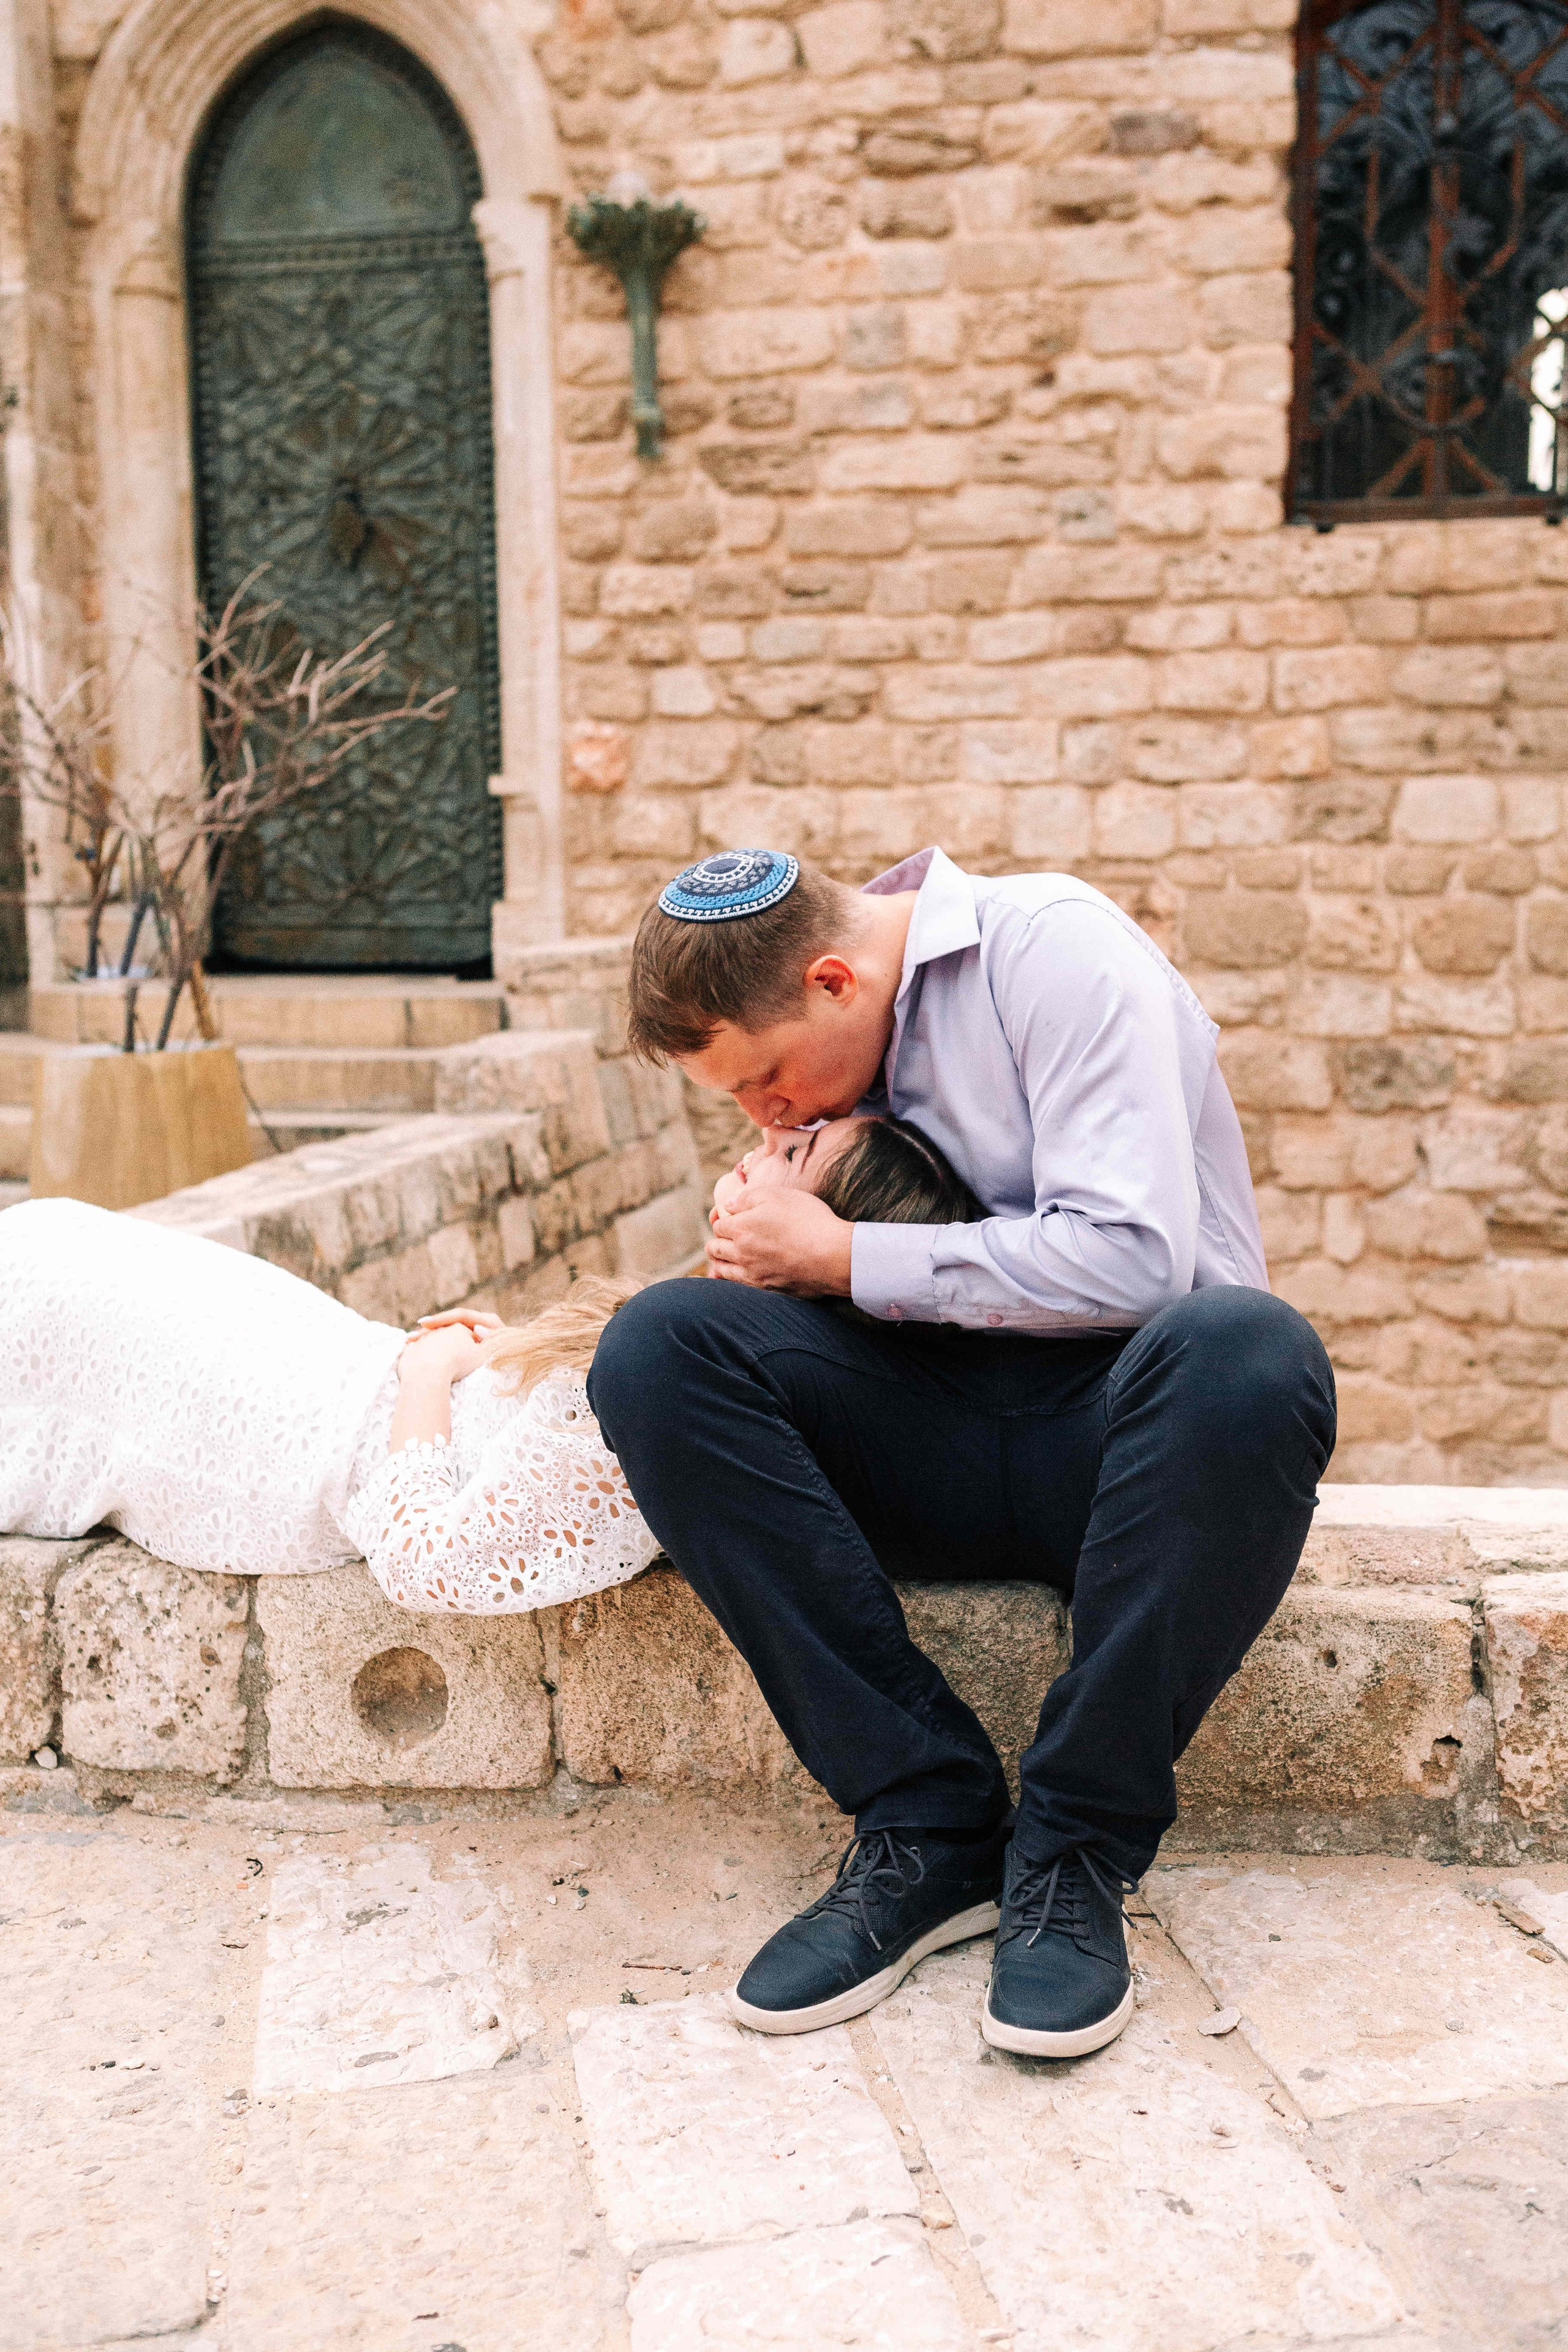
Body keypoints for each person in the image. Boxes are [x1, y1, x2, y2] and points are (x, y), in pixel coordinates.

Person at [587, 846, 1338, 2059]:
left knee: (1253, 1350)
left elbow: (1136, 1259)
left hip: (1127, 1447)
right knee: (658, 1347)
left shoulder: (1054, 951)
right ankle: (924, 1826)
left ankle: (1074, 1849)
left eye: (765, 1079)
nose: (764, 1114)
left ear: (833, 980)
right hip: (917, 1435)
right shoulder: (832, 1067)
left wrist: (838, 1256)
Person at [0, 1112, 978, 1614]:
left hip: (287, 1444)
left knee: (45, 1280)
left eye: (798, 1157)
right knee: (56, 1240)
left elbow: (425, 1562)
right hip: (330, 1363)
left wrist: (431, 1379)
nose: (767, 1140)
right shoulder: (695, 1352)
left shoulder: (680, 1416)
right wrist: (504, 1353)